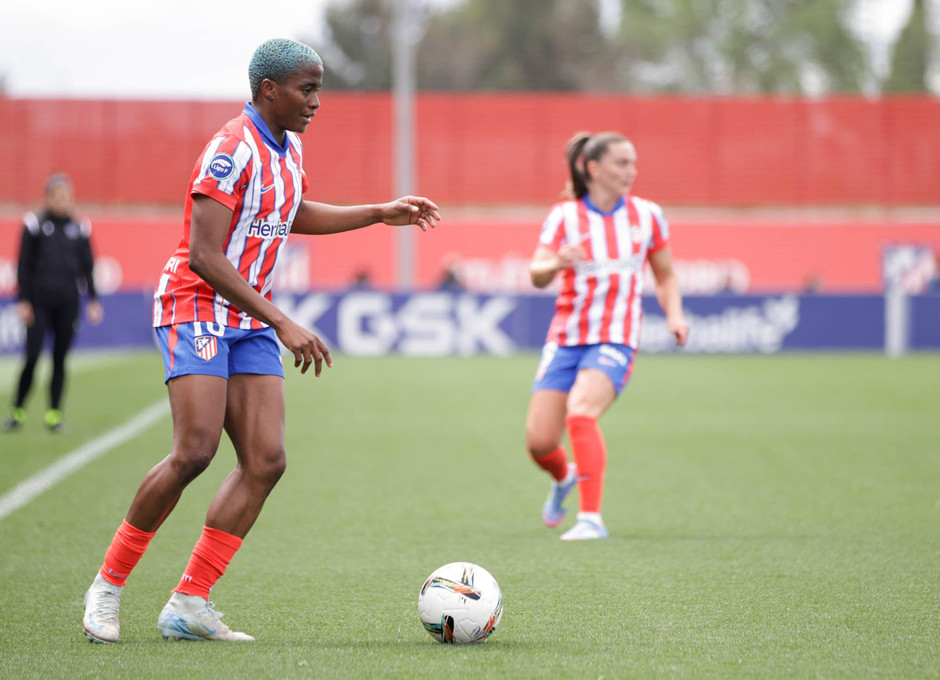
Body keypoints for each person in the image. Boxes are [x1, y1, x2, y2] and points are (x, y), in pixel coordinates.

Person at [81, 38, 441, 644]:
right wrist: (282, 321)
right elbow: (203, 254)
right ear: (269, 90)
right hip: (196, 304)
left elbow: (290, 213)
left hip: (247, 317)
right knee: (194, 451)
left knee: (266, 460)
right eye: (307, 89)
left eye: (319, 88)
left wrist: (379, 212)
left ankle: (190, 602)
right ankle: (107, 586)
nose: (316, 101)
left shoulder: (289, 146)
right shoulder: (231, 150)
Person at [525, 131, 688, 541]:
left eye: (633, 163)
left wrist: (675, 315)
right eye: (622, 163)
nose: (631, 171)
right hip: (566, 338)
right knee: (540, 443)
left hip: (615, 338)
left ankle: (590, 519)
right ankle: (563, 477)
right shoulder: (564, 217)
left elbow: (665, 275)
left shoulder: (647, 215)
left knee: (581, 411)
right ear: (593, 168)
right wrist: (557, 263)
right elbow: (536, 273)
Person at [2, 173, 104, 433]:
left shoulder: (79, 228)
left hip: (67, 304)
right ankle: (17, 410)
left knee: (60, 359)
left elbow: (88, 268)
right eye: (57, 197)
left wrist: (93, 300)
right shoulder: (35, 225)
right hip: (39, 304)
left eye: (66, 197)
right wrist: (23, 300)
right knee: (32, 357)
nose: (62, 201)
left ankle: (54, 414)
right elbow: (23, 265)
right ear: (47, 198)